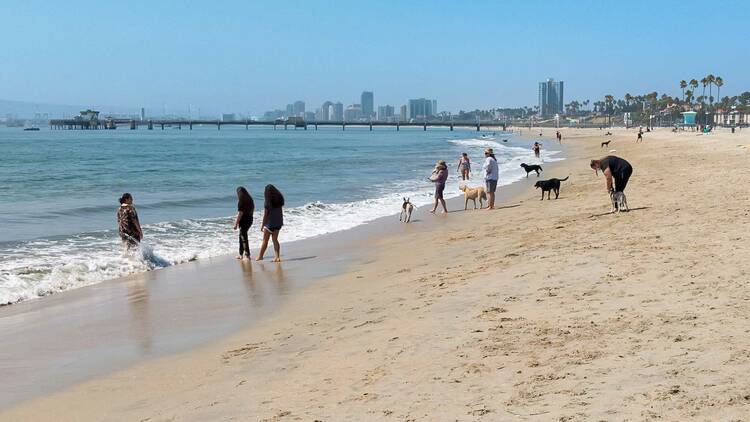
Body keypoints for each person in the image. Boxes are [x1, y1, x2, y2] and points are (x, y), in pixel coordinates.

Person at [256, 184, 284, 262]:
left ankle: (260, 256)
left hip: (269, 224)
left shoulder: (267, 202)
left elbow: (265, 215)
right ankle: (277, 257)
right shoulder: (280, 200)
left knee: (265, 241)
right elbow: (280, 212)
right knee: (275, 240)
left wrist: (262, 225)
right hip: (278, 223)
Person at [233, 186, 255, 260]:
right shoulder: (250, 200)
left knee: (243, 237)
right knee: (241, 236)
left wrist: (236, 224)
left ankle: (247, 255)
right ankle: (241, 254)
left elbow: (240, 214)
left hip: (244, 221)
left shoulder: (241, 201)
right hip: (250, 219)